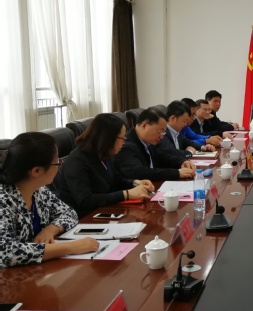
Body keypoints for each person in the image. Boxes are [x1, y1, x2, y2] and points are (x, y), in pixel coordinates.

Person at [0, 132, 99, 268]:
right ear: (36, 171)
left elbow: (69, 213)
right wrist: (71, 247)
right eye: (57, 162)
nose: (60, 164)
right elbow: (6, 252)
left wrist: (52, 229)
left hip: (35, 270)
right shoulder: (3, 199)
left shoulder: (38, 190)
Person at [54, 114, 155, 218]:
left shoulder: (104, 154)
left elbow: (115, 180)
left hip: (105, 212)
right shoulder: (77, 161)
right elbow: (85, 200)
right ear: (109, 138)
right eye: (122, 137)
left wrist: (135, 183)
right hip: (84, 219)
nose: (124, 142)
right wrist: (126, 194)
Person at [115, 108, 196, 181]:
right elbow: (140, 172)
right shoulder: (126, 145)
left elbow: (162, 157)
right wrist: (177, 173)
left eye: (163, 132)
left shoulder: (147, 142)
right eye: (160, 131)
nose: (161, 137)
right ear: (144, 125)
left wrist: (182, 161)